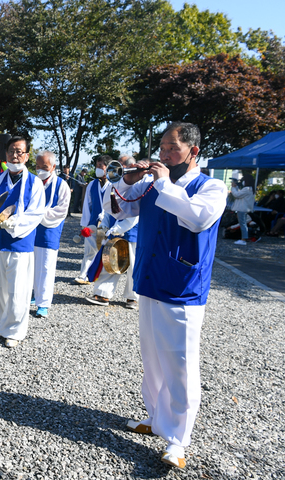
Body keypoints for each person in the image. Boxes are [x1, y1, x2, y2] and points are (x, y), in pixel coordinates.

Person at [103, 122, 227, 469]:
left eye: (172, 148)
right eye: (161, 147)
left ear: (193, 151)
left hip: (182, 286)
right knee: (152, 357)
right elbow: (120, 210)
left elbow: (196, 218)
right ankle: (157, 420)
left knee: (181, 364)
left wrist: (163, 183)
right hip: (151, 280)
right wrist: (126, 180)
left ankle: (178, 440)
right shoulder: (154, 184)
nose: (164, 154)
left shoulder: (212, 187)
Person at [0, 136, 45, 348]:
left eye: (19, 151)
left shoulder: (34, 183)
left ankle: (15, 330)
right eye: (11, 151)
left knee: (19, 287)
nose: (14, 155)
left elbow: (36, 213)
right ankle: (3, 318)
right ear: (5, 155)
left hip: (19, 243)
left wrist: (16, 224)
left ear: (26, 156)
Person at [85, 158, 139, 309]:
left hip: (133, 232)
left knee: (134, 265)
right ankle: (103, 293)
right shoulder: (114, 185)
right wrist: (106, 226)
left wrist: (118, 228)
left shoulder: (138, 186)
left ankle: (132, 297)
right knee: (110, 261)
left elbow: (135, 215)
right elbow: (109, 210)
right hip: (115, 231)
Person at [32, 151, 70, 317]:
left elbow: (61, 210)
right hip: (30, 230)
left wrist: (38, 214)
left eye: (44, 167)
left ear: (53, 167)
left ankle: (44, 303)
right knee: (32, 265)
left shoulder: (61, 185)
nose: (40, 170)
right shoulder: (32, 182)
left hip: (49, 230)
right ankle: (35, 294)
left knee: (46, 266)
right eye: (38, 166)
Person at [74, 155, 112, 285]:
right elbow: (87, 205)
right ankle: (83, 275)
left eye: (100, 166)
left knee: (105, 252)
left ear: (108, 167)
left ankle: (99, 278)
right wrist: (85, 224)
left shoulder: (114, 184)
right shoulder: (92, 184)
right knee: (89, 251)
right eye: (97, 166)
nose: (97, 168)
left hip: (108, 224)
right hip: (93, 223)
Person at [229, 174, 255, 245]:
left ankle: (243, 239)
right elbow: (239, 194)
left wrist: (233, 188)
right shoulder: (250, 189)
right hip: (245, 209)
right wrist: (236, 187)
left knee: (242, 224)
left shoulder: (247, 189)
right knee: (243, 224)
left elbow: (237, 195)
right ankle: (244, 238)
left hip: (242, 209)